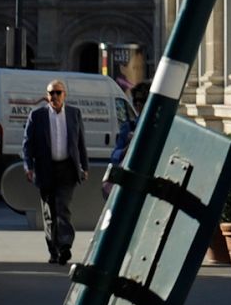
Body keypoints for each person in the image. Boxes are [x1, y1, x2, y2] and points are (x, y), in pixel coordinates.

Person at [21, 79, 88, 265]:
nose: (55, 96)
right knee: (49, 213)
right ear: (47, 96)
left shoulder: (74, 114)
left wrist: (85, 166)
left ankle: (65, 245)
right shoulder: (37, 116)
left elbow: (80, 142)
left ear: (64, 95)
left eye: (58, 92)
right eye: (51, 93)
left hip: (67, 168)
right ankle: (54, 250)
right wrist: (28, 167)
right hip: (45, 169)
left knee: (62, 208)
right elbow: (27, 145)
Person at [102, 80, 150, 191]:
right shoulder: (128, 127)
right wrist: (130, 146)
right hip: (130, 180)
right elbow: (115, 156)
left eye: (142, 100)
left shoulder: (157, 127)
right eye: (135, 100)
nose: (138, 104)